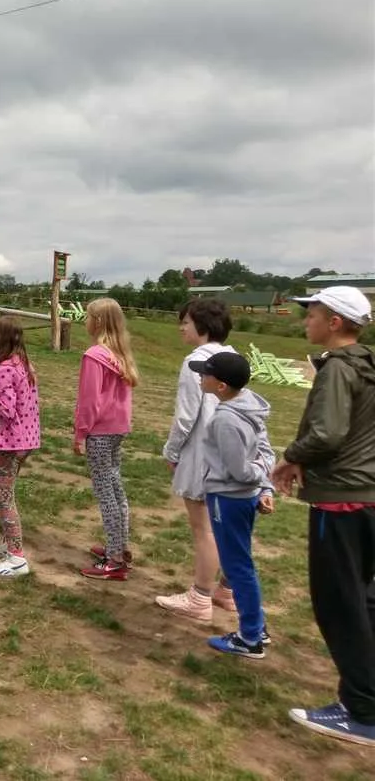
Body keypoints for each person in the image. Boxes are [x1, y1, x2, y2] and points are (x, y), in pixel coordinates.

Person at [272, 286, 375, 747]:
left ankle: (363, 712)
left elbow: (328, 433)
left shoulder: (338, 368)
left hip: (342, 499)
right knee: (366, 602)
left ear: (334, 321)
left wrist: (292, 456)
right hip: (370, 496)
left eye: (310, 313)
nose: (304, 321)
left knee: (339, 605)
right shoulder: (368, 366)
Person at [185, 352, 276, 658]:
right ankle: (256, 625)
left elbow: (240, 470)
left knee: (238, 567)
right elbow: (265, 452)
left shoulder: (225, 419)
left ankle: (250, 637)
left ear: (221, 386)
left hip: (228, 498)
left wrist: (260, 477)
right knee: (242, 564)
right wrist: (264, 484)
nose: (200, 377)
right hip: (243, 497)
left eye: (205, 374)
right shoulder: (247, 404)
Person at [156, 298, 240, 622]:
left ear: (203, 327)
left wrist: (172, 451)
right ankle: (226, 590)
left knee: (204, 528)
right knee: (227, 526)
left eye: (186, 322)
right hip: (231, 455)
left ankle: (200, 597)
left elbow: (186, 416)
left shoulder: (197, 362)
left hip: (203, 454)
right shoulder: (234, 357)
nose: (181, 327)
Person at [75, 298, 139, 580]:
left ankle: (114, 561)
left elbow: (89, 401)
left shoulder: (95, 355)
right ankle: (119, 547)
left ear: (98, 321)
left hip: (99, 432)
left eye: (87, 316)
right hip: (117, 430)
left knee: (105, 493)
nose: (84, 322)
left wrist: (80, 433)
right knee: (115, 487)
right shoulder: (120, 354)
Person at [0, 316, 41, 578]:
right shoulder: (25, 364)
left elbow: (6, 410)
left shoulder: (3, 368)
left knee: (5, 498)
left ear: (0, 337)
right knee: (8, 493)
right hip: (28, 440)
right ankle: (7, 545)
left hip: (10, 443)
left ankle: (16, 557)